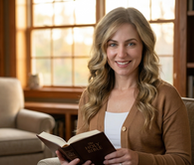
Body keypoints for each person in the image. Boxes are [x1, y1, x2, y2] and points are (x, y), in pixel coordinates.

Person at [55, 7, 191, 165]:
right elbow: (82, 152)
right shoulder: (91, 95)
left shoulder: (165, 96)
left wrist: (140, 159)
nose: (121, 54)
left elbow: (183, 160)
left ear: (144, 47)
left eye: (131, 44)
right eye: (113, 44)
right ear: (104, 49)